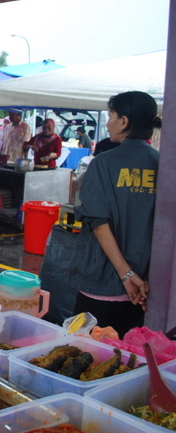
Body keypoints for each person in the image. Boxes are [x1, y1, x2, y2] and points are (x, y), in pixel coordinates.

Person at [69, 91, 160, 337]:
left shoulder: (103, 162)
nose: (108, 123)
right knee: (125, 352)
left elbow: (99, 224)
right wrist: (135, 276)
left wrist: (125, 274)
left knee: (83, 350)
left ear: (124, 121)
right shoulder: (161, 164)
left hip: (103, 282)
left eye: (110, 116)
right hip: (142, 288)